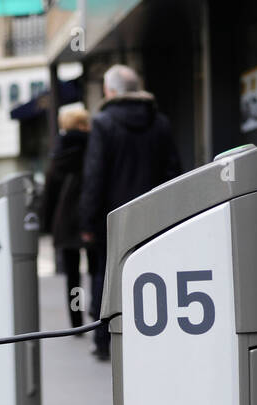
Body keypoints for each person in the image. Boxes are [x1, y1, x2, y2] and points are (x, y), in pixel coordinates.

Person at [79, 64, 183, 360]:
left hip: (114, 219)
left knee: (107, 277)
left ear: (110, 91)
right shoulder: (160, 122)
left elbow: (94, 176)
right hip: (156, 216)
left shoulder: (102, 123)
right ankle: (153, 336)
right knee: (154, 273)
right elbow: (173, 171)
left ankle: (104, 340)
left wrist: (87, 220)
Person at [40, 106, 91, 328]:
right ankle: (99, 311)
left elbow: (50, 191)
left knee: (73, 276)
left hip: (65, 219)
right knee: (98, 269)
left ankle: (76, 318)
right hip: (90, 215)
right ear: (83, 124)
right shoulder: (94, 147)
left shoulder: (58, 153)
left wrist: (47, 223)